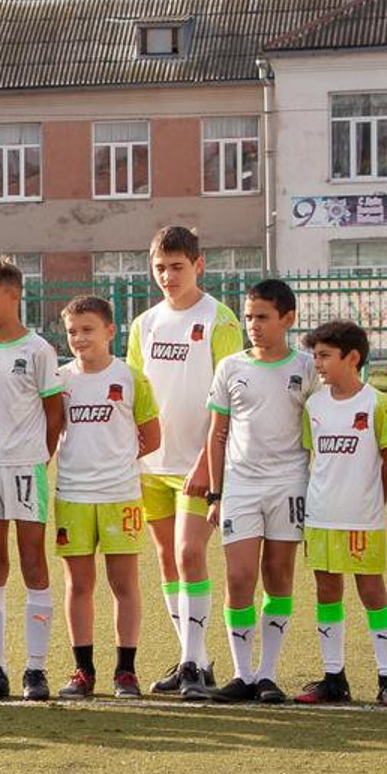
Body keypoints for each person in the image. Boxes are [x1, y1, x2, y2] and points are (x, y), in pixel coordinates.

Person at [131, 225, 244, 697]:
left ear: (199, 265)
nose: (167, 276)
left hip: (199, 465)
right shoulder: (145, 324)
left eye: (177, 267)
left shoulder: (219, 319)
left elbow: (234, 395)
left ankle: (194, 664)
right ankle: (191, 660)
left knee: (189, 553)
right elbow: (135, 393)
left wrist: (207, 462)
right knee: (166, 560)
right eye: (160, 267)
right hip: (151, 465)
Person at [198, 279, 312, 704]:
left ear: (287, 318)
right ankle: (242, 674)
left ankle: (267, 674)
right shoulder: (231, 367)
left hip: (289, 484)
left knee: (278, 576)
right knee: (239, 576)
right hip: (241, 487)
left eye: (262, 317)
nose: (253, 325)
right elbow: (217, 434)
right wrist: (215, 494)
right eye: (248, 317)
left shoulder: (306, 367)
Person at [0, 259, 64, 702]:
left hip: (26, 469)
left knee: (33, 562)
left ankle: (35, 670)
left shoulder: (39, 350)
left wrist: (38, 459)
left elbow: (54, 414)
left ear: (14, 295)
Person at [51, 296, 159, 700]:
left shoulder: (131, 378)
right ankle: (83, 671)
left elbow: (153, 436)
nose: (79, 339)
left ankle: (125, 672)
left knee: (123, 583)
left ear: (111, 331)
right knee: (79, 584)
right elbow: (51, 431)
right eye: (72, 332)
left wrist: (116, 463)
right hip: (73, 496)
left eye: (88, 330)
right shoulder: (61, 380)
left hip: (120, 497)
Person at [297, 318, 387, 706]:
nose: (318, 364)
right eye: (315, 356)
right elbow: (313, 458)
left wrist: (374, 502)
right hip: (321, 515)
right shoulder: (314, 405)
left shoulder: (376, 403)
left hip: (362, 517)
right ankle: (333, 678)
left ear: (352, 358)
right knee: (327, 591)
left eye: (324, 356)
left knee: (372, 591)